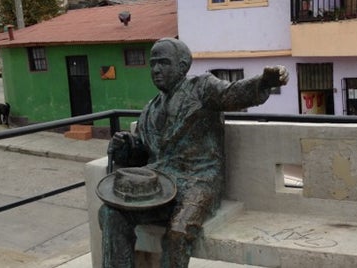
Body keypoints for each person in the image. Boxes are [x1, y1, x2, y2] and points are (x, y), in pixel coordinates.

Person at [98, 37, 288, 268]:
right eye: (153, 63)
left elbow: (233, 93)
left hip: (198, 181)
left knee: (178, 233)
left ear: (182, 65)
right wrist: (126, 144)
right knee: (111, 214)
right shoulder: (150, 109)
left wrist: (264, 82)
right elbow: (144, 153)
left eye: (164, 63)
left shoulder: (202, 87)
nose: (156, 69)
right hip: (160, 181)